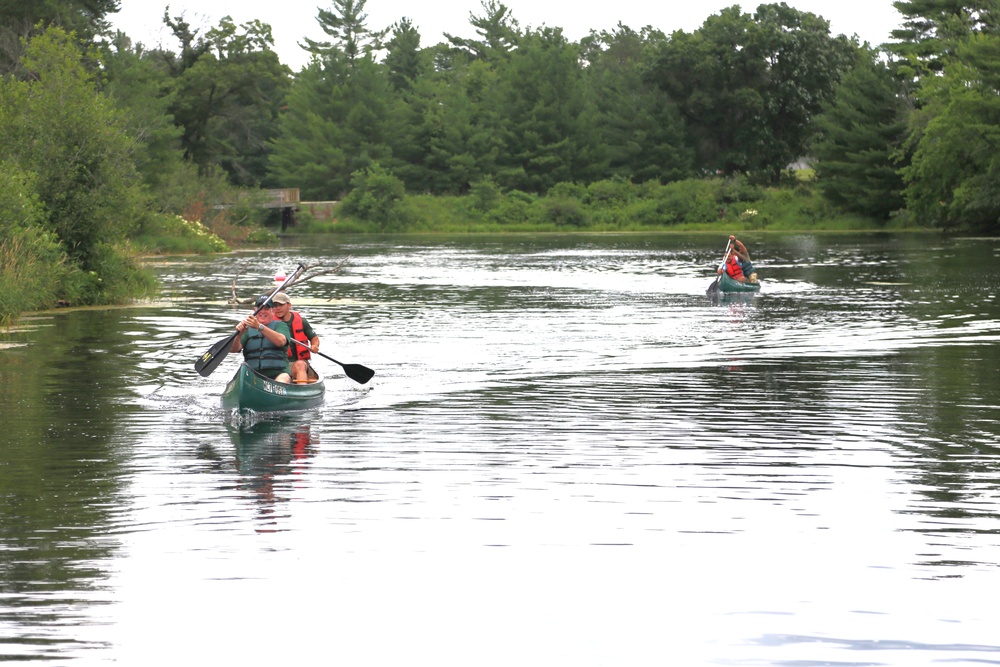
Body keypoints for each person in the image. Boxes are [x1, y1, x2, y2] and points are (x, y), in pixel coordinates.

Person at [229, 295, 293, 382]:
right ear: (255, 310)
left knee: (284, 378)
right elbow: (234, 349)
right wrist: (239, 335)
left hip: (278, 373)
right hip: (252, 374)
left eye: (266, 308)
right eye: (260, 308)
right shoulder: (247, 329)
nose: (262, 311)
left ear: (273, 311)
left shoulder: (280, 325)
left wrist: (259, 326)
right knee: (241, 377)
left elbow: (281, 341)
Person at [271, 292, 320, 384]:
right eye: (275, 306)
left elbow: (314, 338)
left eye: (280, 305)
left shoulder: (302, 321)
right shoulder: (269, 323)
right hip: (277, 364)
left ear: (289, 305)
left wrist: (315, 346)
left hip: (297, 363)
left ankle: (302, 391)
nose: (277, 308)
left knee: (300, 364)